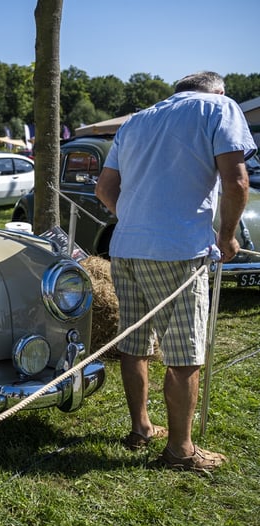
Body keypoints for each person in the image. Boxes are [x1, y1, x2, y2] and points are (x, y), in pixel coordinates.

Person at [95, 71, 256, 472]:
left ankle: (141, 428)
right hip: (177, 251)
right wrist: (228, 237)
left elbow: (104, 189)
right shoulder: (220, 107)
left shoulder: (135, 120)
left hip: (127, 247)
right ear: (218, 90)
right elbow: (237, 182)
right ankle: (181, 452)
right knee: (185, 355)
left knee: (135, 344)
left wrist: (133, 217)